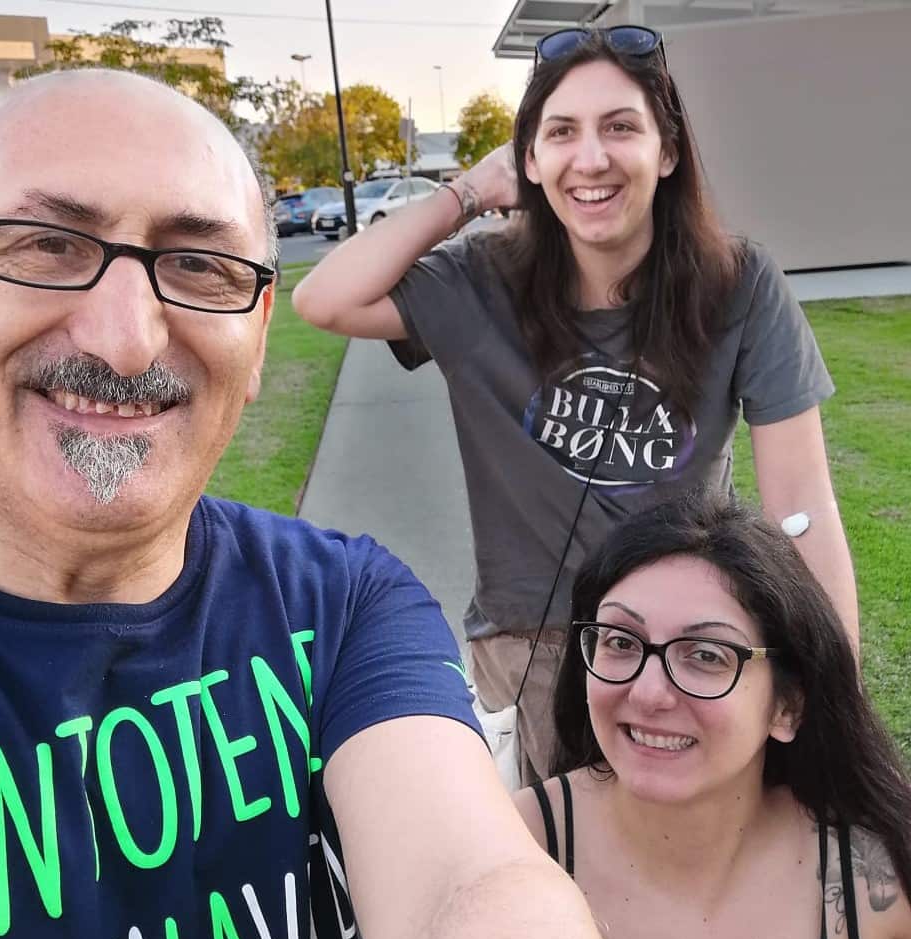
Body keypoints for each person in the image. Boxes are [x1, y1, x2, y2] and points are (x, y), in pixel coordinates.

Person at [0, 68, 606, 939]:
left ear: (254, 340)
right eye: (45, 245)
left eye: (199, 267)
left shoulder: (340, 608)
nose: (127, 339)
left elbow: (473, 883)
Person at [292, 26, 858, 785]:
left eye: (621, 126)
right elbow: (323, 298)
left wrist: (833, 692)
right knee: (559, 876)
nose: (590, 158)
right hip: (531, 640)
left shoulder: (740, 284)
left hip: (686, 638)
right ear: (529, 160)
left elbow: (802, 507)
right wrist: (466, 192)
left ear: (668, 150)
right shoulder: (480, 281)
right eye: (560, 132)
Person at [513, 494, 911, 939]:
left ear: (788, 706)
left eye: (705, 655)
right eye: (621, 642)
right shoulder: (511, 846)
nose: (646, 693)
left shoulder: (879, 877)